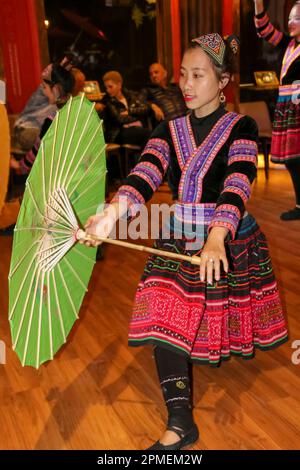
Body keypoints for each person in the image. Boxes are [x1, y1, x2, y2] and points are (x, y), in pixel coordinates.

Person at [80, 34, 288, 450]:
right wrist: (110, 216)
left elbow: (237, 180)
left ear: (223, 80)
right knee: (162, 311)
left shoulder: (241, 126)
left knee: (210, 317)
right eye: (182, 75)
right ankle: (180, 421)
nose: (186, 84)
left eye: (198, 75)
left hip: (223, 235)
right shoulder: (168, 128)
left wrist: (216, 238)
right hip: (177, 233)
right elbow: (145, 174)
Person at [254, 0, 300, 220]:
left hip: (298, 104)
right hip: (287, 106)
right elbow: (264, 29)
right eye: (290, 17)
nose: (291, 22)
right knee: (293, 159)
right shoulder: (288, 44)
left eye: (297, 18)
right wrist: (257, 3)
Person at [102, 70, 151, 149]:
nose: (108, 90)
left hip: (136, 129)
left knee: (150, 136)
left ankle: (142, 160)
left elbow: (146, 108)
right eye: (106, 87)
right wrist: (138, 116)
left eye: (110, 87)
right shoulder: (107, 100)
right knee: (147, 134)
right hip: (118, 132)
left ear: (119, 84)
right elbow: (119, 119)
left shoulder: (131, 95)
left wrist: (130, 112)